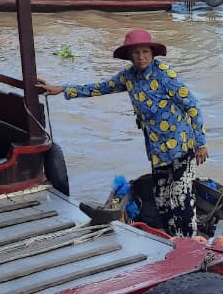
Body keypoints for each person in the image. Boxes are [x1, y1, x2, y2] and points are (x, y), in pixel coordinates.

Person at [37, 29, 207, 237]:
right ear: (129, 56)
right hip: (157, 150)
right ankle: (172, 238)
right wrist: (62, 89)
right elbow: (99, 88)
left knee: (181, 198)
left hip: (182, 146)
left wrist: (200, 143)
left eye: (145, 52)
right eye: (136, 53)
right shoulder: (128, 76)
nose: (141, 57)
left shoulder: (165, 75)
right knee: (162, 199)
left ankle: (189, 242)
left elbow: (193, 107)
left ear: (152, 53)